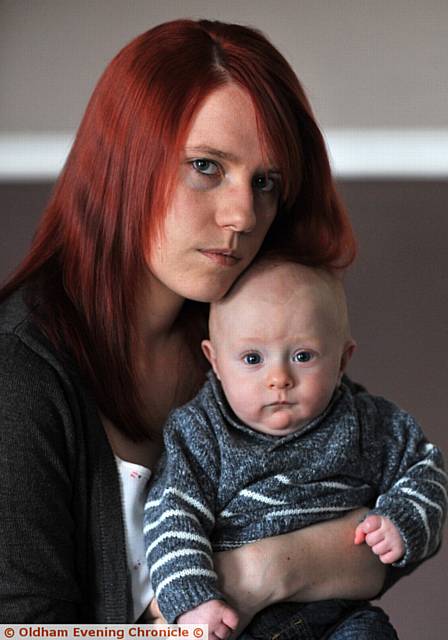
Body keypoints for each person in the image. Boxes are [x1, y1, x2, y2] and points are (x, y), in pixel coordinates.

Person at [0, 18, 419, 625]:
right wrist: (220, 597)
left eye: (266, 181)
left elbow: (374, 543)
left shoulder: (247, 335)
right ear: (123, 162)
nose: (244, 214)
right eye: (206, 166)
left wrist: (256, 574)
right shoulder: (18, 375)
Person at [144, 259, 447, 638]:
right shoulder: (201, 431)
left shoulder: (366, 423)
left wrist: (403, 518)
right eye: (252, 359)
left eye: (303, 356)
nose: (279, 379)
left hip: (341, 615)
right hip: (243, 621)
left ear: (342, 360)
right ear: (216, 362)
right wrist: (191, 600)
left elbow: (424, 466)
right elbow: (172, 512)